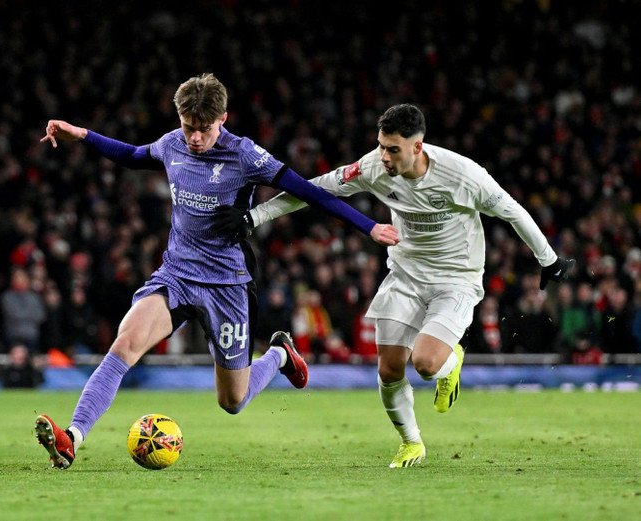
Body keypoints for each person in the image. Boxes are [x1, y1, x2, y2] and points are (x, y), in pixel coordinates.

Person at [34, 73, 396, 469]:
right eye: (188, 127)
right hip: (176, 276)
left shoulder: (245, 155)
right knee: (125, 344)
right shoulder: (172, 143)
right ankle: (73, 438)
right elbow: (134, 156)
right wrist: (82, 135)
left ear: (223, 118)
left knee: (232, 401)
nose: (194, 138)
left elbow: (308, 192)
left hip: (226, 285)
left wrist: (370, 227)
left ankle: (278, 354)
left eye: (204, 129)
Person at [215, 104, 576, 468]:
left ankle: (450, 365)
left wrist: (549, 260)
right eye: (381, 146)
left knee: (424, 362)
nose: (384, 157)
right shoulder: (373, 167)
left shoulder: (463, 175)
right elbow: (314, 190)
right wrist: (254, 217)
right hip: (404, 275)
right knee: (389, 368)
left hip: (456, 279)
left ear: (418, 147)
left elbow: (513, 210)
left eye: (393, 149)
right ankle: (411, 443)